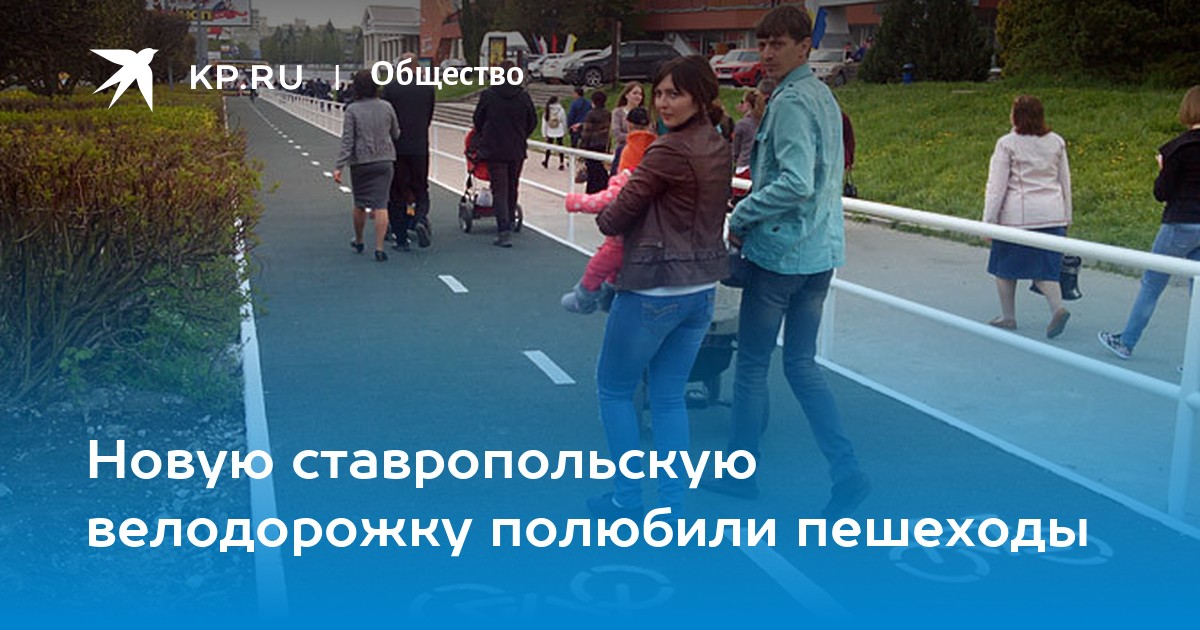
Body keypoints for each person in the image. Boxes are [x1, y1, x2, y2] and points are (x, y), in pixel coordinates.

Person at [702, 6, 870, 519]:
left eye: (778, 44)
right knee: (801, 364)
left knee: (752, 366)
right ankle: (846, 469)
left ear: (804, 46)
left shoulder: (791, 102)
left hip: (781, 255)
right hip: (820, 253)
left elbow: (795, 182)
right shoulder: (822, 96)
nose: (768, 53)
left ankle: (740, 475)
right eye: (763, 43)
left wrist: (742, 215)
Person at [588, 56, 731, 518]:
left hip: (654, 288)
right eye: (660, 94)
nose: (664, 103)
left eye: (676, 94)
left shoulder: (667, 151)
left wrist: (613, 198)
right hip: (700, 289)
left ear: (699, 97)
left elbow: (614, 217)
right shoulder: (718, 143)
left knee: (614, 390)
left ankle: (627, 499)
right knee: (669, 398)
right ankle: (672, 504)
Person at [1100, 86, 1200, 359]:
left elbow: (1162, 193)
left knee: (1152, 283)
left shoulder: (1177, 148)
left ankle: (1127, 341)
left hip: (1180, 222)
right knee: (1198, 290)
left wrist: (1163, 169)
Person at [982, 95, 1073, 338]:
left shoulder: (1007, 144)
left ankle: (1008, 316)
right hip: (1052, 214)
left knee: (1003, 268)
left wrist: (988, 222)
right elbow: (1065, 181)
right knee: (1045, 269)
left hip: (1018, 217)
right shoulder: (1056, 142)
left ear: (1016, 116)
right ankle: (1058, 308)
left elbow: (996, 187)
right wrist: (1067, 216)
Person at [561, 107, 655, 314]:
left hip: (621, 239)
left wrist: (575, 201)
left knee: (598, 266)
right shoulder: (653, 174)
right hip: (645, 238)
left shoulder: (626, 180)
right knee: (614, 271)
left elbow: (601, 200)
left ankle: (584, 298)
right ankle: (609, 294)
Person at [471, 60, 538, 248]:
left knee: (499, 190)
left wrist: (485, 134)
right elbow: (532, 120)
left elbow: (478, 120)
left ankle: (503, 230)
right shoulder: (523, 96)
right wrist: (521, 134)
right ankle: (509, 219)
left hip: (494, 149)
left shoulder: (488, 95)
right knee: (512, 186)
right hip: (516, 149)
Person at [334, 70, 399, 262]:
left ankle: (360, 239)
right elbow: (395, 133)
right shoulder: (387, 106)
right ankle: (379, 248)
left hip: (361, 162)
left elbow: (348, 140)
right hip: (385, 159)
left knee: (360, 203)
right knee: (381, 204)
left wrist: (339, 166)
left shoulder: (352, 110)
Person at [381, 53, 436, 251]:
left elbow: (385, 117)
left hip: (396, 147)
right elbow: (429, 115)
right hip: (419, 145)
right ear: (416, 67)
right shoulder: (427, 88)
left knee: (397, 191)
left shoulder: (390, 88)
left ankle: (401, 238)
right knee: (421, 187)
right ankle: (420, 219)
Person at [579, 90, 611, 194]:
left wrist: (582, 148)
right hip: (603, 145)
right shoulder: (608, 113)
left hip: (592, 146)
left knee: (592, 173)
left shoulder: (591, 114)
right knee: (602, 171)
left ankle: (591, 193)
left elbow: (587, 132)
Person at [609, 82, 645, 175]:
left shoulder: (645, 112)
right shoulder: (618, 112)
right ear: (626, 95)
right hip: (623, 152)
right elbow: (617, 135)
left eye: (640, 94)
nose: (638, 96)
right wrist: (636, 137)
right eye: (635, 93)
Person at [731, 90, 765, 178]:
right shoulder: (765, 122)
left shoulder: (742, 124)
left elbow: (735, 151)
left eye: (742, 102)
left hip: (744, 166)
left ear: (747, 104)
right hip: (761, 166)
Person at [541, 95, 567, 170]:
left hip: (550, 130)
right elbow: (564, 121)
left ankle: (546, 161)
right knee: (560, 146)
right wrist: (565, 130)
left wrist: (544, 134)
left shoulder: (547, 109)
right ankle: (561, 163)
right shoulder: (561, 109)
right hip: (559, 130)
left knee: (549, 147)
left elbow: (544, 123)